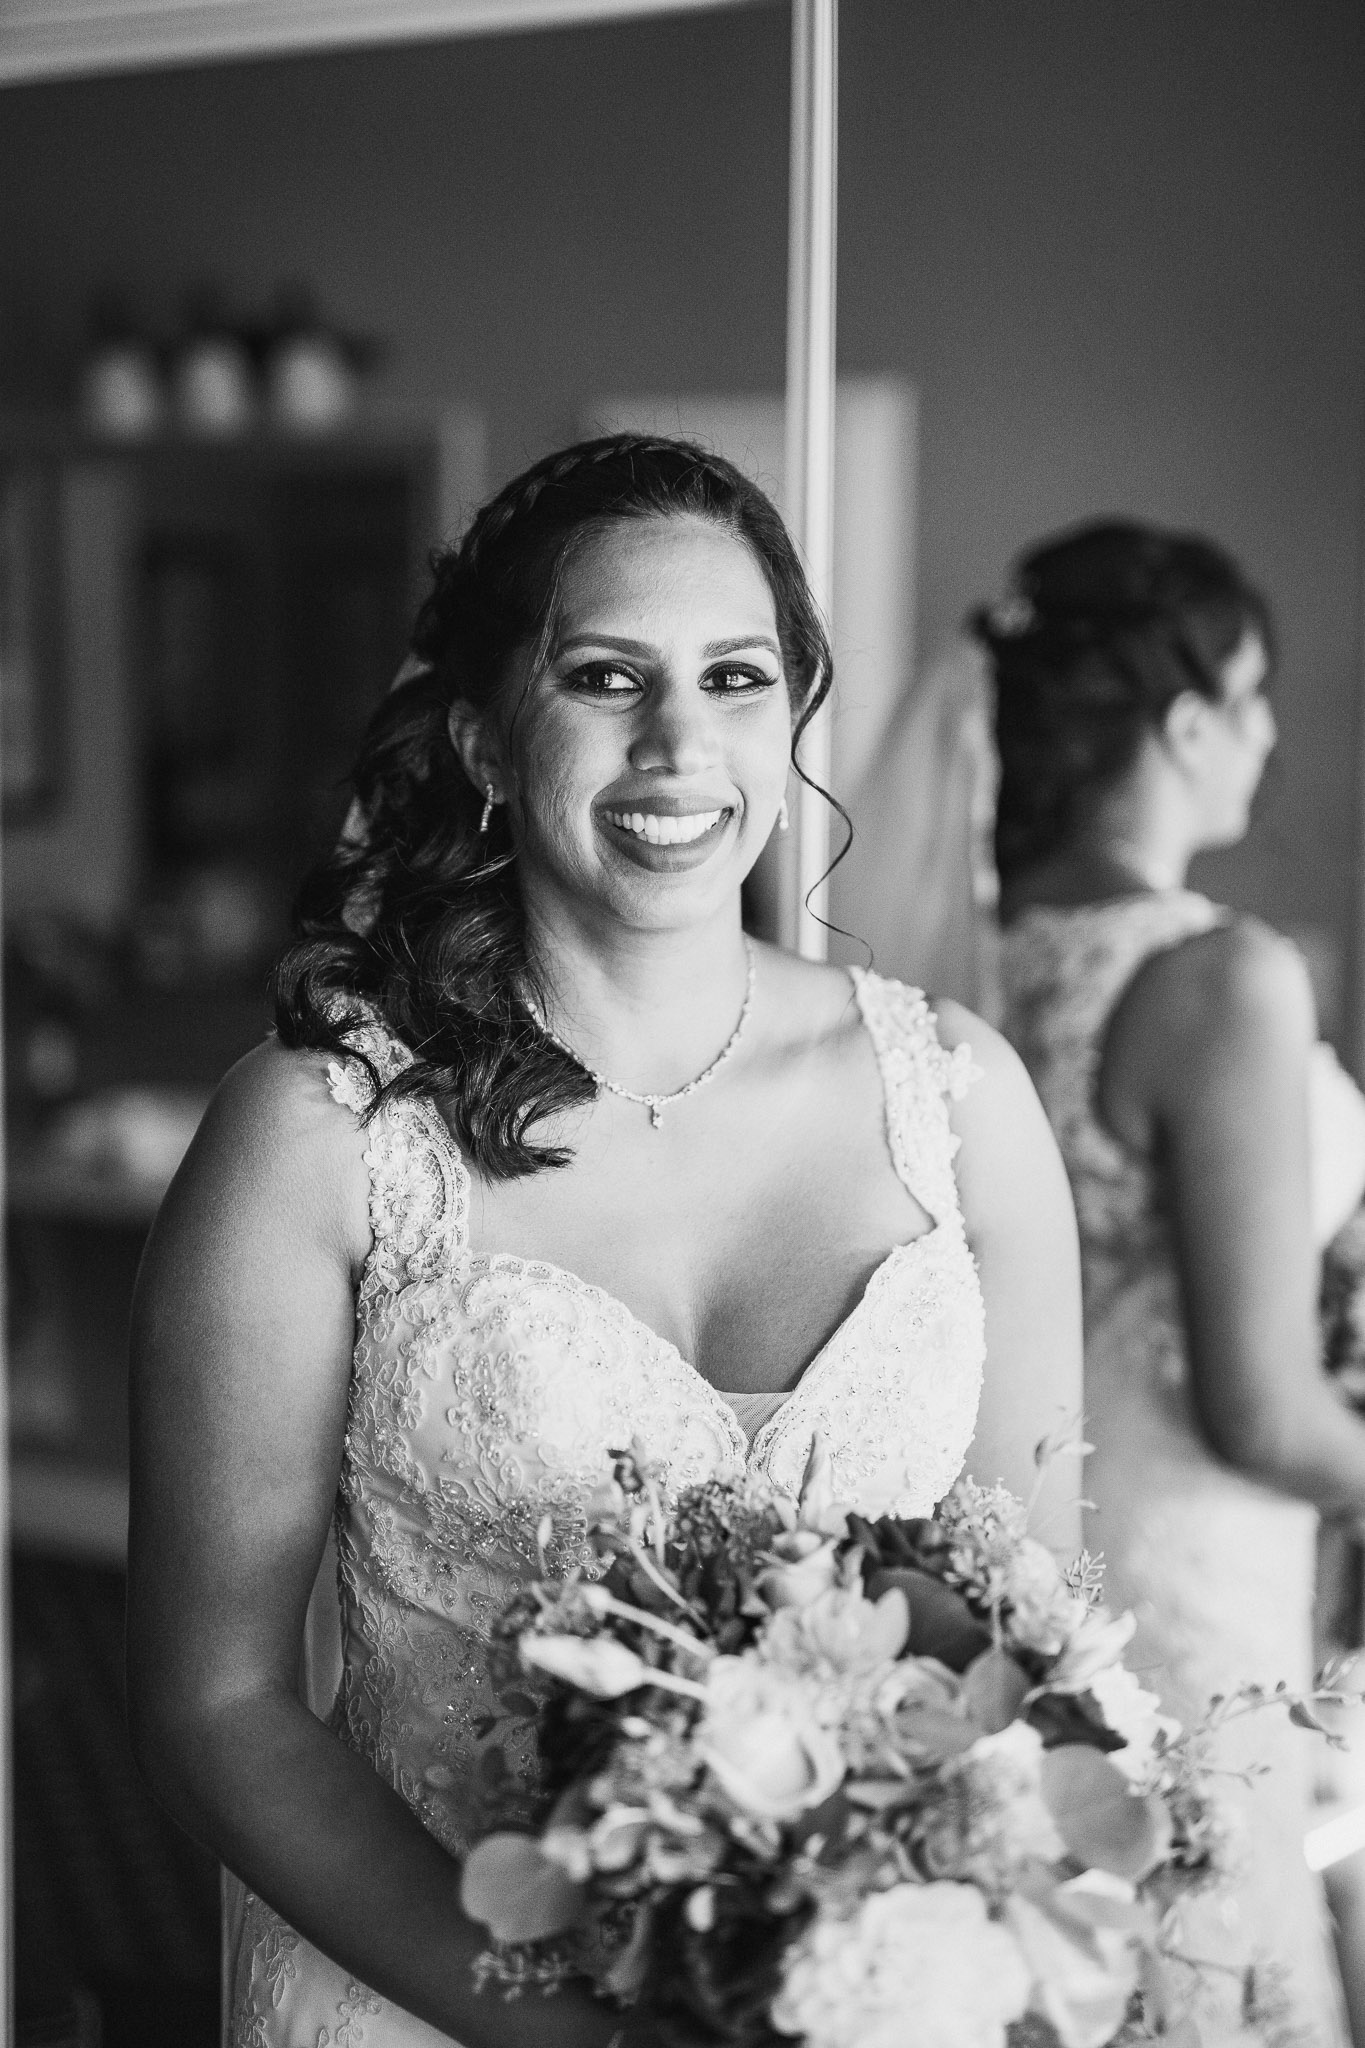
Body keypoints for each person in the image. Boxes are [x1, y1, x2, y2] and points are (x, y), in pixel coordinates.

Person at [126, 435, 1081, 2048]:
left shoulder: (960, 1101)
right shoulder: (317, 1137)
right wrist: (581, 2034)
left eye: (734, 678)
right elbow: (215, 1704)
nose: (677, 743)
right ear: (484, 739)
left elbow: (1022, 1648)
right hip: (420, 2003)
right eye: (604, 678)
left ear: (789, 718)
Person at [984, 518, 1365, 2047]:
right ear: (1182, 719)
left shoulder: (980, 950)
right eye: (1250, 695)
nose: (1266, 734)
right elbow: (1258, 1409)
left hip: (1036, 1557)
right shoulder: (1219, 980)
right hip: (1196, 1574)